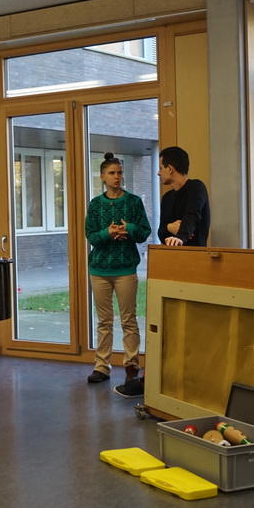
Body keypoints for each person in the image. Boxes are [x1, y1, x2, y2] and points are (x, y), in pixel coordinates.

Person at [84, 152, 151, 397]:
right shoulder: (95, 204)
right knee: (104, 321)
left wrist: (128, 229)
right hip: (99, 270)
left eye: (119, 173)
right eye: (112, 173)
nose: (117, 177)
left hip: (125, 269)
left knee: (128, 320)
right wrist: (108, 233)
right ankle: (101, 366)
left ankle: (132, 366)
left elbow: (144, 232)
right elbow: (91, 235)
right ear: (102, 176)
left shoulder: (133, 202)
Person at [157, 146, 210, 247]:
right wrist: (169, 227)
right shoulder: (167, 198)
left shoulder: (196, 187)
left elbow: (192, 216)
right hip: (171, 254)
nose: (158, 173)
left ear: (170, 168)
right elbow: (161, 233)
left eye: (161, 168)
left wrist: (180, 237)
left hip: (195, 254)